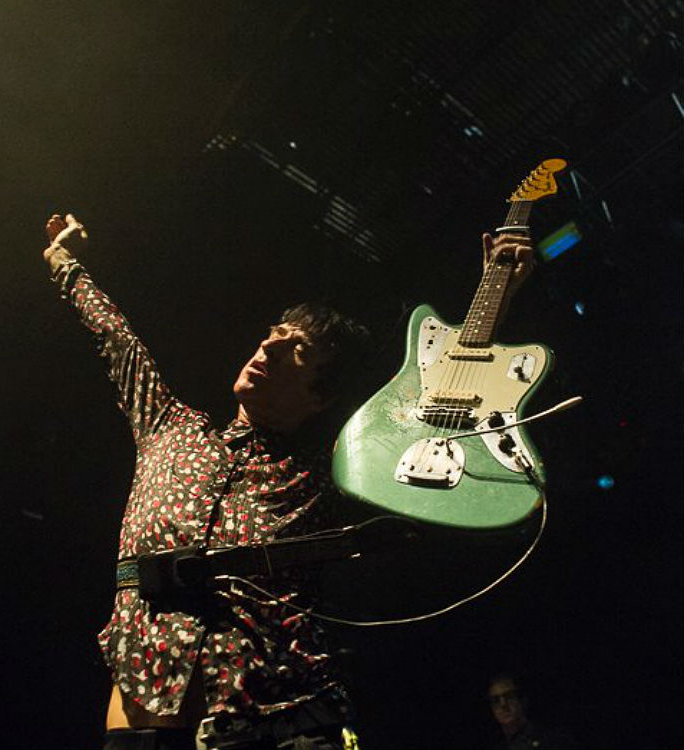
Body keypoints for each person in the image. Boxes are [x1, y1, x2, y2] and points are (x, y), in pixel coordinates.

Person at [43, 213, 534, 750]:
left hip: (276, 720)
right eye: (275, 333)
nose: (269, 347)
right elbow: (119, 342)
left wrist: (495, 300)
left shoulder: (333, 468)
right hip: (145, 716)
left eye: (296, 348)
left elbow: (433, 408)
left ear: (320, 396)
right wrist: (64, 263)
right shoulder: (170, 426)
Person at [487, 672, 578, 750]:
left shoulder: (553, 740)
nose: (503, 704)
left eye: (509, 697)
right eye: (496, 700)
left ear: (522, 701)